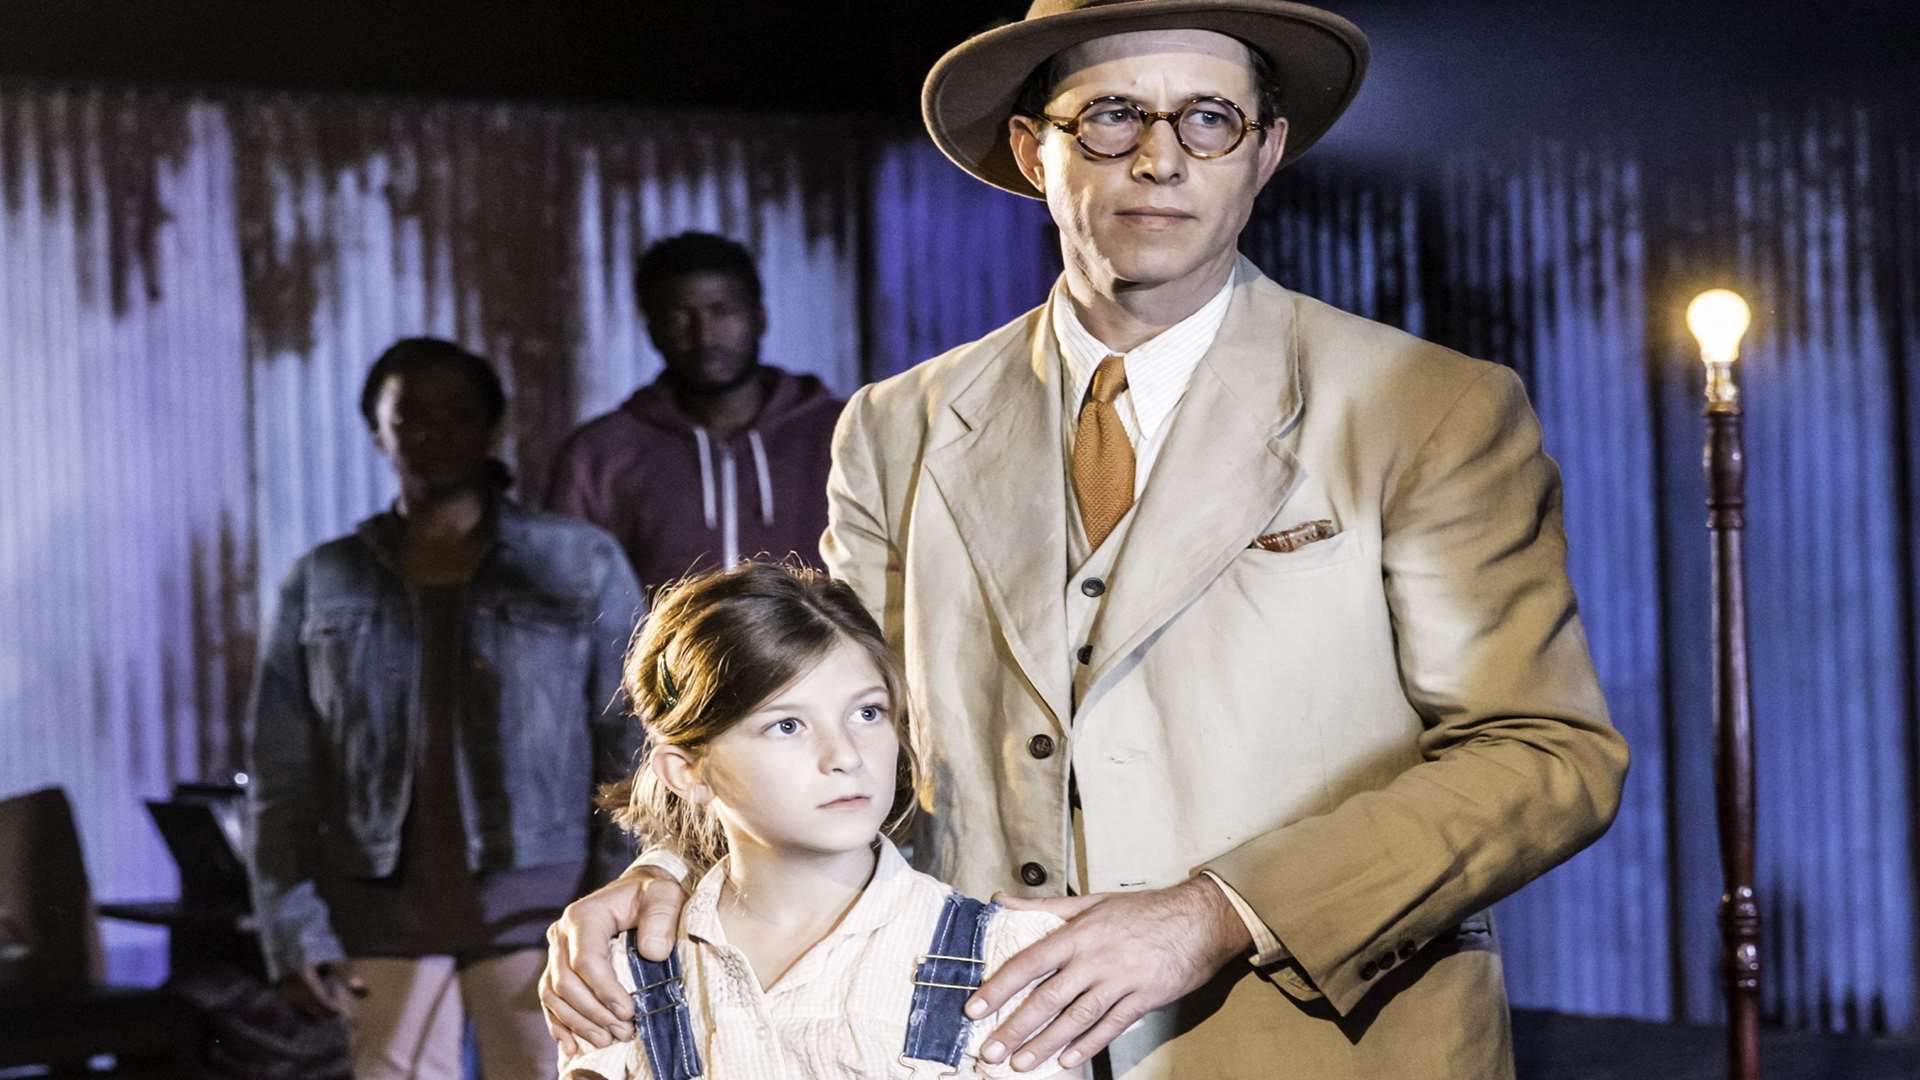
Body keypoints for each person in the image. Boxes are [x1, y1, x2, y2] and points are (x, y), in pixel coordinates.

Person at [542, 3, 1630, 1077]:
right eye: (1111, 114)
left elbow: (1545, 754)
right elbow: (832, 719)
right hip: (972, 1045)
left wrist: (1217, 912)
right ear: (1032, 150)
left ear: (1267, 152)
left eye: (1210, 119)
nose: (1160, 158)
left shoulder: (1422, 407)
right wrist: (676, 866)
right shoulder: (898, 425)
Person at [246, 337, 644, 1079]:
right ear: (378, 434)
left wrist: (615, 894)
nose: (433, 435)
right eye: (410, 420)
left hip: (543, 902)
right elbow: (280, 773)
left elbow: (632, 739)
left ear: (493, 428)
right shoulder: (326, 578)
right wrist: (293, 929)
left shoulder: (575, 560)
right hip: (381, 909)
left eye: (457, 415)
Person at [558, 562, 1082, 1080]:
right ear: (689, 772)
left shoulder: (1006, 959)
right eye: (787, 725)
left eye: (867, 713)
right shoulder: (622, 974)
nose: (846, 756)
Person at [546, 232, 845, 594]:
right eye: (678, 317)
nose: (704, 335)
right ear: (653, 332)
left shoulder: (839, 434)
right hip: (662, 653)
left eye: (722, 312)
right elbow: (565, 598)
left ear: (760, 318)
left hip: (821, 650)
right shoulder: (600, 455)